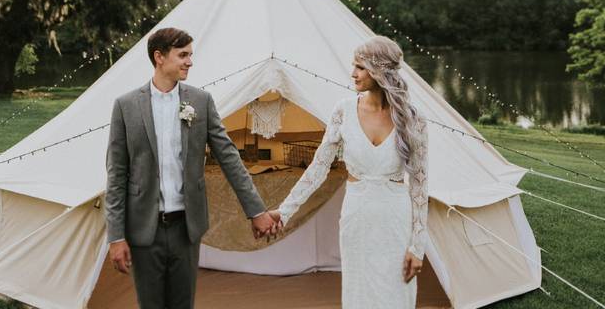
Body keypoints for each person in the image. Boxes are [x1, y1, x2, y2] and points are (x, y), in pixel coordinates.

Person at [104, 27, 281, 309]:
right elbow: (116, 175)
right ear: (159, 57)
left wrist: (256, 211)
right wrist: (116, 236)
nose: (190, 62)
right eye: (183, 55)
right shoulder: (125, 106)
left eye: (190, 55)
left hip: (186, 228)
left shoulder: (201, 101)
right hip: (142, 229)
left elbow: (230, 158)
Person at [267, 35, 430, 309]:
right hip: (357, 218)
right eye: (354, 65)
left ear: (381, 71)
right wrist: (283, 211)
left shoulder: (413, 118)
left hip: (395, 220)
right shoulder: (343, 111)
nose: (353, 73)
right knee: (359, 295)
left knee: (396, 295)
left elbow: (419, 187)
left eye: (361, 67)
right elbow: (318, 168)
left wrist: (417, 247)